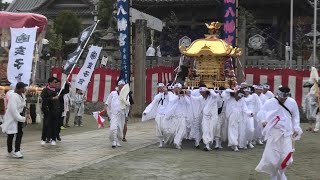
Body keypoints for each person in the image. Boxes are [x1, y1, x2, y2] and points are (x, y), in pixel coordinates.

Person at [255, 86, 303, 180]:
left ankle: (281, 172)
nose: (283, 99)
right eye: (281, 97)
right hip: (274, 132)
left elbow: (295, 116)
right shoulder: (270, 102)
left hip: (287, 133)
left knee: (286, 156)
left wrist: (296, 127)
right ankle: (273, 174)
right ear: (278, 94)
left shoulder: (292, 102)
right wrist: (263, 121)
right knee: (272, 157)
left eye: (285, 98)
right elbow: (261, 113)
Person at [0, 82, 27, 158]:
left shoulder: (22, 95)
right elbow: (13, 110)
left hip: (19, 116)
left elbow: (22, 105)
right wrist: (21, 118)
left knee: (19, 133)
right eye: (23, 88)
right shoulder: (13, 96)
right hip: (13, 117)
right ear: (19, 88)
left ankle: (17, 150)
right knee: (11, 134)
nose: (24, 89)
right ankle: (11, 151)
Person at [142, 83, 169, 147]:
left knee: (164, 128)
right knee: (158, 128)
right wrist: (146, 111)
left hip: (166, 114)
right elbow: (152, 104)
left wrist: (166, 92)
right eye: (159, 88)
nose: (160, 89)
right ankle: (160, 142)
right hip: (159, 114)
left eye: (161, 87)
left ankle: (165, 139)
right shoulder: (157, 96)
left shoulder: (169, 95)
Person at [105, 80, 129, 148]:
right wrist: (106, 109)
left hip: (121, 114)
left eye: (123, 85)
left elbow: (128, 105)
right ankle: (113, 141)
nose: (122, 87)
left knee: (120, 128)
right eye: (120, 85)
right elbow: (108, 102)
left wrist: (127, 113)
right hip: (114, 114)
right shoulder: (113, 93)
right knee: (113, 128)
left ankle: (118, 140)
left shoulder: (126, 95)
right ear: (118, 86)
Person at [41, 77, 60, 146]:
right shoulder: (45, 90)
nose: (56, 83)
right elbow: (44, 99)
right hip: (47, 110)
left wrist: (66, 84)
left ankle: (53, 139)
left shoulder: (57, 90)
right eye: (55, 82)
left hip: (55, 110)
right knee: (46, 124)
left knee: (54, 125)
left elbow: (65, 91)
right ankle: (44, 138)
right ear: (50, 82)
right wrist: (52, 98)